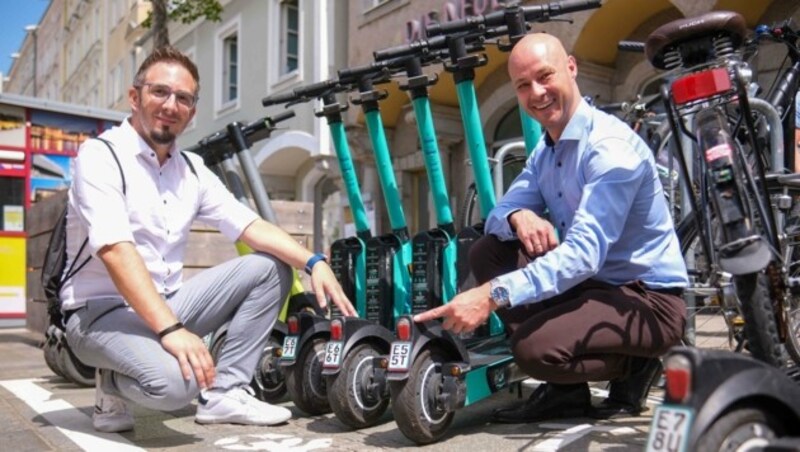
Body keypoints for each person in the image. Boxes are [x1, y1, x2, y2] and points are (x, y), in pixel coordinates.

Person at [61, 46, 357, 433]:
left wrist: (313, 262)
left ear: (192, 111)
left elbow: (250, 226)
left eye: (183, 98)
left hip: (167, 304)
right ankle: (111, 380)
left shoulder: (192, 170)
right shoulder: (101, 156)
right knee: (179, 384)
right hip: (97, 314)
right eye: (159, 92)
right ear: (134, 97)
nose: (171, 105)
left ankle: (225, 393)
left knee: (268, 268)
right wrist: (173, 332)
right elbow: (117, 251)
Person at [414, 33, 688, 422]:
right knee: (488, 250)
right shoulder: (547, 150)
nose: (537, 93)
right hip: (596, 285)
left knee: (532, 351)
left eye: (545, 76)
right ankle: (567, 393)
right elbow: (499, 214)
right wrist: (517, 216)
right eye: (523, 85)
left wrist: (491, 295)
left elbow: (584, 254)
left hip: (647, 301)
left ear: (571, 69)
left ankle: (636, 365)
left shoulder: (610, 149)